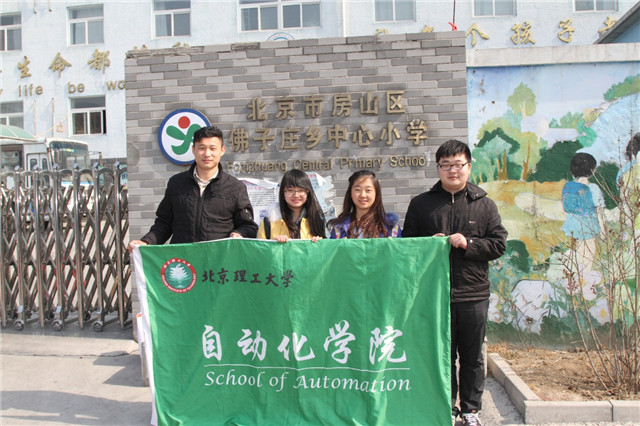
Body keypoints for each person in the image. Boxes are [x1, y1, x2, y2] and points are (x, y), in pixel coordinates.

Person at [402, 140, 507, 426]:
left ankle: (471, 410)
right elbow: (406, 245)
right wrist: (428, 244)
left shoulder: (484, 204)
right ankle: (445, 408)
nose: (452, 170)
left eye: (458, 164)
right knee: (441, 354)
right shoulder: (421, 204)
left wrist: (468, 243)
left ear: (468, 167)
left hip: (473, 293)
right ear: (438, 168)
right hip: (434, 294)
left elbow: (498, 245)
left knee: (472, 357)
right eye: (446, 165)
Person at [128, 125, 257, 250]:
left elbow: (248, 226)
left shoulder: (235, 187)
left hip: (219, 260)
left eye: (213, 148)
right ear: (193, 149)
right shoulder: (176, 184)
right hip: (184, 259)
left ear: (222, 150)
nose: (207, 154)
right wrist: (147, 241)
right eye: (201, 148)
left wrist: (239, 234)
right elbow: (164, 223)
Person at [257, 169, 326, 243]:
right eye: (290, 190)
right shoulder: (268, 223)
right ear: (283, 192)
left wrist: (320, 244)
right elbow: (260, 248)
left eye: (301, 190)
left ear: (308, 193)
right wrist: (273, 243)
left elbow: (326, 248)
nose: (296, 195)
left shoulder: (317, 220)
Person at [328, 169, 401, 239]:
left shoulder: (391, 227)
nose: (363, 195)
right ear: (350, 193)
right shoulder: (339, 229)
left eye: (368, 190)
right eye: (358, 190)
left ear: (376, 193)